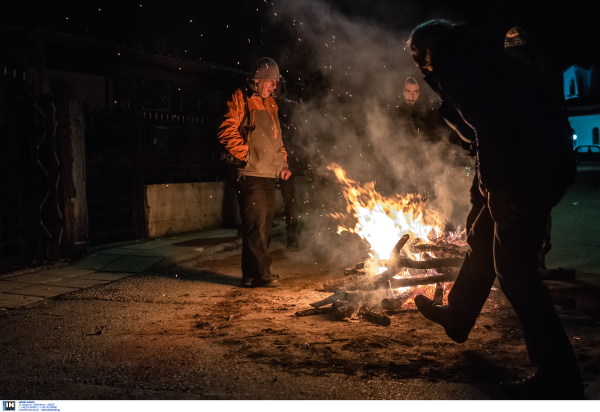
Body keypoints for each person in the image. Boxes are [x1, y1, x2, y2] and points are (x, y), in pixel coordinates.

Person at [408, 20, 581, 399]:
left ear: (428, 52)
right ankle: (458, 315)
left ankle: (559, 372)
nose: (418, 67)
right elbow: (482, 132)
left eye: (417, 56)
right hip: (535, 164)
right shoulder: (478, 61)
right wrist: (485, 195)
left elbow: (491, 129)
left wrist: (496, 190)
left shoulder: (459, 68)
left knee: (515, 269)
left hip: (532, 172)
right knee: (482, 237)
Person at [218, 57, 292, 288]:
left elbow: (277, 140)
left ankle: (250, 275)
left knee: (263, 226)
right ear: (258, 79)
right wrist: (249, 156)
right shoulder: (240, 98)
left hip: (269, 175)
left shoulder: (271, 104)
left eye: (276, 82)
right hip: (250, 174)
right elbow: (226, 132)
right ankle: (262, 272)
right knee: (256, 226)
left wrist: (283, 165)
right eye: (271, 81)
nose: (274, 86)